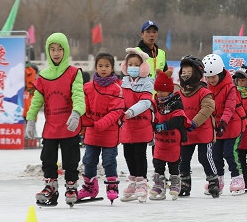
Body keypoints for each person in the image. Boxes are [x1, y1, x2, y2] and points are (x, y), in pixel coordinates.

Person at [25, 33, 86, 207]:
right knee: (48, 159)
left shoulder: (74, 73)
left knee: (71, 160)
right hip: (51, 127)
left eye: (60, 49)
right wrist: (31, 119)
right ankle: (50, 188)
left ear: (65, 50)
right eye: (52, 49)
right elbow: (37, 100)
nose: (56, 53)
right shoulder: (44, 76)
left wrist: (76, 113)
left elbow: (78, 95)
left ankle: (71, 187)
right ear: (48, 51)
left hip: (69, 126)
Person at [78, 52, 124, 202]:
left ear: (112, 68)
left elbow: (116, 111)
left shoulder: (117, 88)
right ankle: (90, 187)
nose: (103, 69)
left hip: (109, 131)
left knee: (109, 160)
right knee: (88, 159)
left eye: (107, 66)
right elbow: (84, 107)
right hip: (92, 130)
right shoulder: (88, 87)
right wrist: (85, 123)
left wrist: (100, 124)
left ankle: (112, 186)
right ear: (95, 67)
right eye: (100, 65)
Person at [204, 53, 247, 194]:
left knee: (230, 153)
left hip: (232, 125)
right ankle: (218, 180)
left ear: (220, 73)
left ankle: (237, 178)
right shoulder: (206, 88)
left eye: (213, 77)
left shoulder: (230, 88)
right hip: (216, 127)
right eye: (208, 77)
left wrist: (223, 123)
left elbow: (229, 108)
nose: (211, 80)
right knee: (215, 154)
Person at [177, 55, 219, 197]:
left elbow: (208, 108)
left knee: (205, 157)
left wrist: (194, 122)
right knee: (183, 158)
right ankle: (185, 182)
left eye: (189, 73)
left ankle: (213, 180)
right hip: (186, 131)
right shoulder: (179, 93)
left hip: (202, 131)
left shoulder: (204, 92)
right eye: (183, 73)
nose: (185, 75)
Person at [119, 48, 155, 202]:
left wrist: (131, 111)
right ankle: (133, 181)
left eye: (136, 65)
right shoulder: (123, 83)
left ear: (142, 67)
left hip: (141, 124)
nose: (133, 67)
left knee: (140, 155)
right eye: (130, 64)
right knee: (128, 154)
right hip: (127, 126)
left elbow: (146, 102)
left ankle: (142, 182)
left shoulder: (147, 83)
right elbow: (119, 100)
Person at [150, 68, 191, 200]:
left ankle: (175, 182)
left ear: (169, 90)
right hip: (160, 140)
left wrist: (165, 125)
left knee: (173, 163)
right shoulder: (156, 102)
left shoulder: (176, 102)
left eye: (162, 90)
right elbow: (152, 117)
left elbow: (179, 119)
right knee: (158, 162)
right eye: (158, 91)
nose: (160, 93)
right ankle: (159, 185)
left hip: (173, 139)